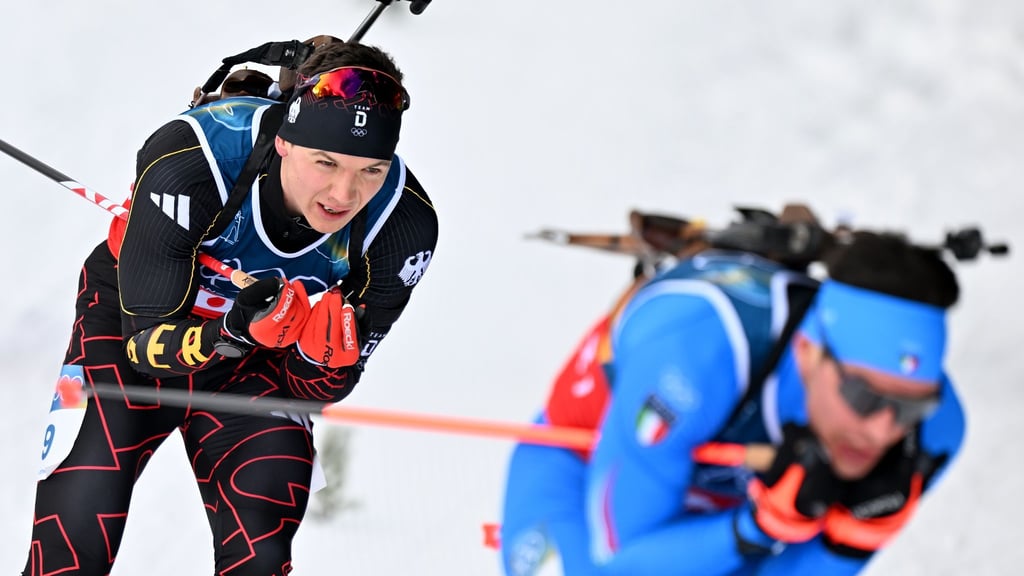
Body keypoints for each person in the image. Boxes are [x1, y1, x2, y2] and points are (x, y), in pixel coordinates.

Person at [23, 39, 438, 575]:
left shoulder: (401, 226)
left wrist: (319, 360)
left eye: (371, 171)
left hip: (254, 370)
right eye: (326, 162)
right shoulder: (194, 160)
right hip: (132, 335)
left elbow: (324, 388)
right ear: (285, 140)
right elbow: (144, 345)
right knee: (73, 534)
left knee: (259, 553)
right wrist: (235, 330)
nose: (344, 192)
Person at [499, 211, 966, 576]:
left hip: (724, 507)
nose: (883, 428)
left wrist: (848, 544)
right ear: (809, 352)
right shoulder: (692, 361)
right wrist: (757, 528)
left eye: (910, 406)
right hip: (584, 470)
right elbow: (619, 560)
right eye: (864, 395)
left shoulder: (937, 428)